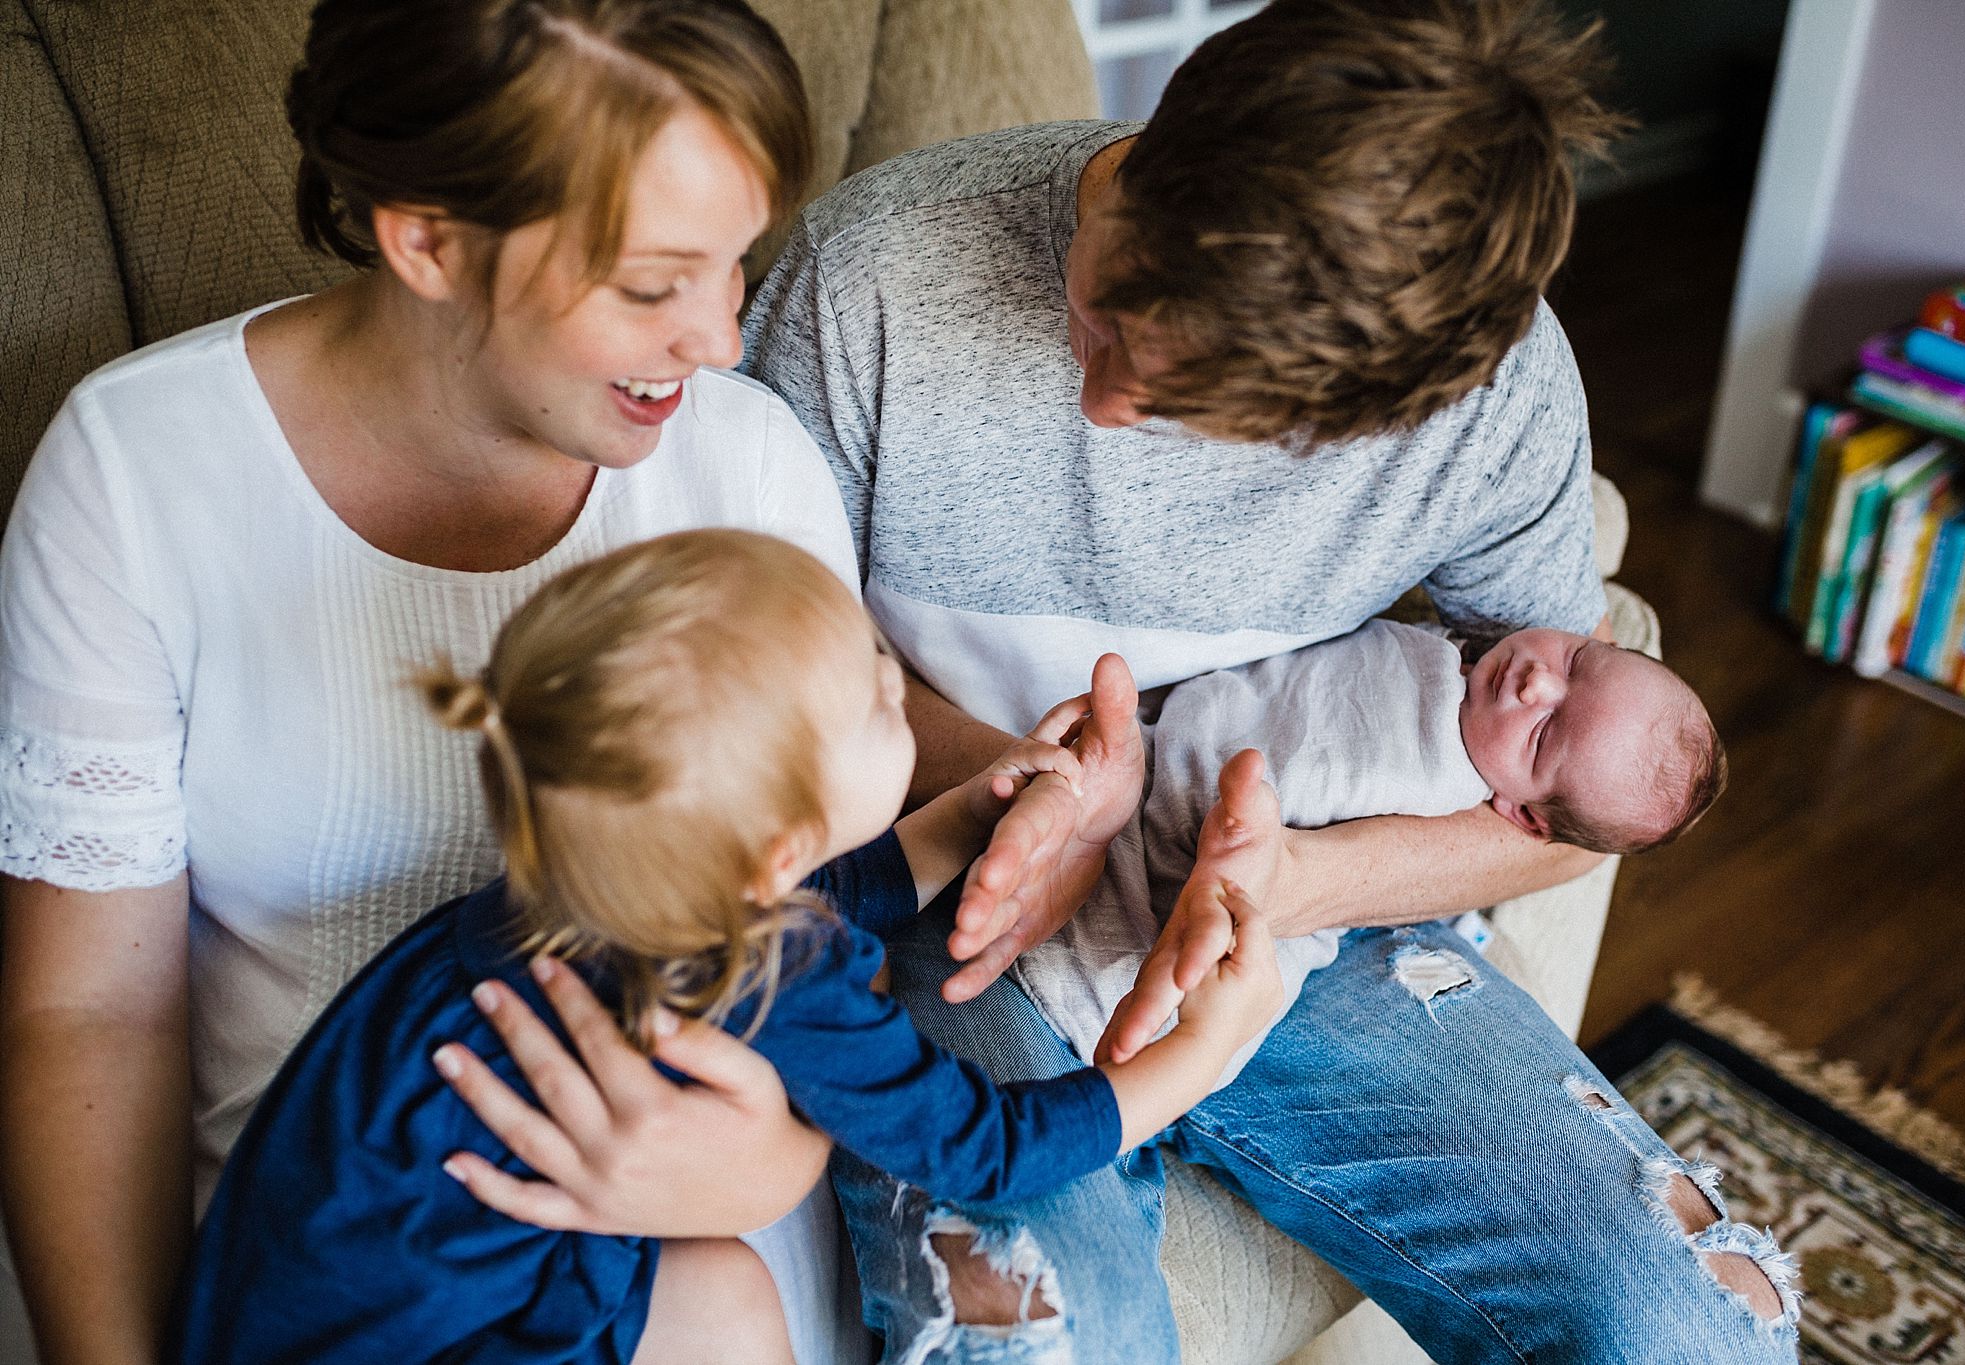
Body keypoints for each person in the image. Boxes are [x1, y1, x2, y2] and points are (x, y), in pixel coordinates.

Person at [394, 3, 1800, 1362]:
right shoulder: (869, 287)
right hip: (957, 906)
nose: (1106, 404)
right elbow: (731, 679)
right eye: (1114, 315)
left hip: (1311, 926)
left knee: (1698, 1320)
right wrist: (1038, 788)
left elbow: (1560, 825)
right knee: (1047, 1337)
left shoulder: (1496, 402)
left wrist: (1294, 886)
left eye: (1196, 407)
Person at [0, 4, 871, 1362]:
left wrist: (776, 1159)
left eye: (737, 263)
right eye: (654, 284)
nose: (721, 341)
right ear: (426, 240)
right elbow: (90, 1015)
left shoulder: (748, 470)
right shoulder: (136, 473)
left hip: (687, 1266)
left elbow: (808, 930)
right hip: (324, 1282)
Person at [175, 528, 1284, 1363]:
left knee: (723, 1294)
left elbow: (817, 891)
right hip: (434, 1332)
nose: (902, 702)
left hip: (282, 1290)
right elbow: (983, 1149)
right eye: (875, 703)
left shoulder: (605, 891)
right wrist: (1196, 1058)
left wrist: (969, 814)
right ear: (777, 846)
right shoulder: (773, 975)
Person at [1019, 621, 1729, 1087]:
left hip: (1136, 937)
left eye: (1545, 735)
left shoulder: (1425, 775)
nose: (1536, 682)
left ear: (1520, 815)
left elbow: (1246, 779)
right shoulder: (1453, 663)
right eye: (1576, 659)